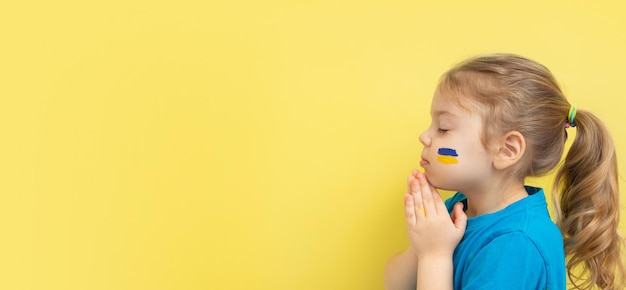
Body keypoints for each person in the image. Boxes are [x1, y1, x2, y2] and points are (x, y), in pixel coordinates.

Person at [384, 53, 625, 290]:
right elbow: (394, 284)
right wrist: (422, 244)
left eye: (443, 128)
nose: (424, 137)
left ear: (507, 150)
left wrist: (434, 256)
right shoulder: (459, 208)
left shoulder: (517, 244)